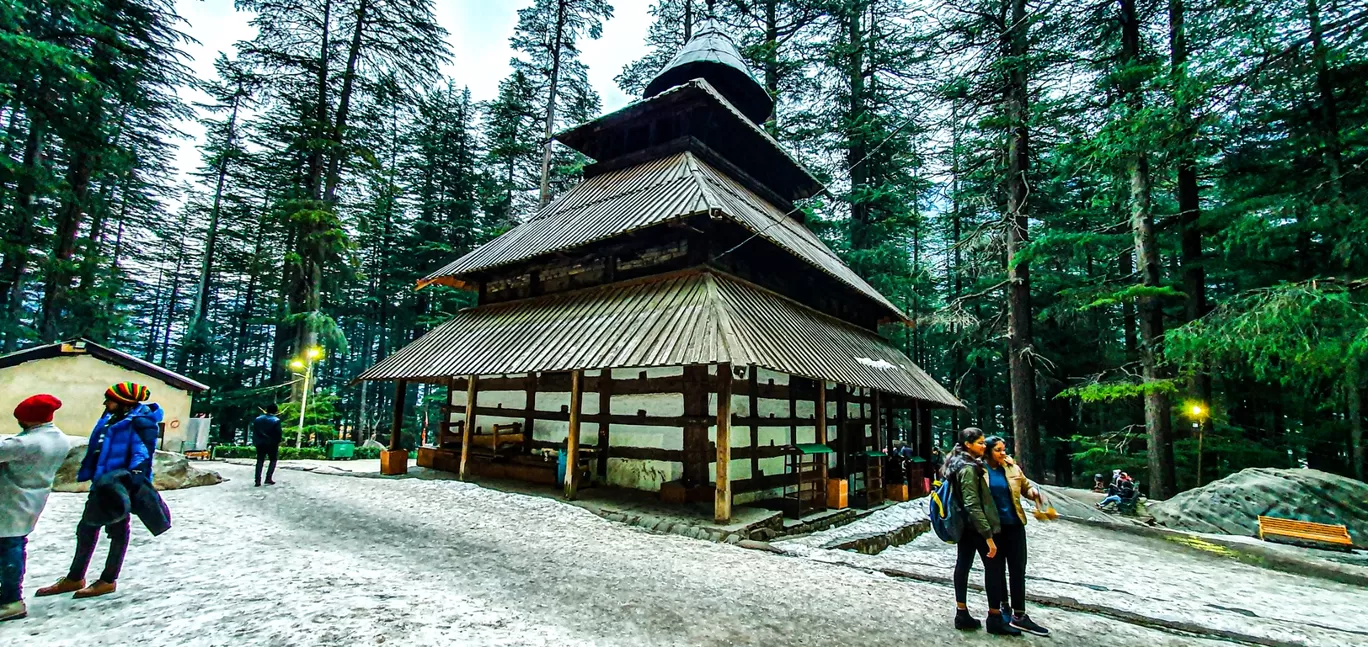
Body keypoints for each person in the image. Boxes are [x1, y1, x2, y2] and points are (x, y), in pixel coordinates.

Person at [37, 382, 162, 599]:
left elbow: (142, 455)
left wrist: (129, 479)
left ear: (123, 402)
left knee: (116, 532)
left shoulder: (141, 424)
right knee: (87, 529)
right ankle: (76, 577)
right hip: (102, 484)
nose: (105, 403)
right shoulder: (111, 419)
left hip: (119, 486)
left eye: (110, 399)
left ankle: (107, 579)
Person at [0, 395, 71, 621]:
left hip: (11, 500)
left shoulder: (25, 443)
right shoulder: (59, 438)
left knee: (9, 548)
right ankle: (9, 596)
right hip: (33, 498)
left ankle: (11, 600)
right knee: (14, 544)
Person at [942, 427, 1018, 636]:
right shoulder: (968, 468)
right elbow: (972, 503)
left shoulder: (957, 463)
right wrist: (988, 535)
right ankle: (994, 617)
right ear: (968, 444)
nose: (984, 447)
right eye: (980, 443)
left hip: (964, 526)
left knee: (963, 564)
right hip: (975, 526)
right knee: (993, 568)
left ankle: (962, 612)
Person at [982, 436, 1050, 637]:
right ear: (987, 452)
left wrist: (1033, 492)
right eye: (998, 450)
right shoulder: (979, 471)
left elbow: (1025, 486)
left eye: (1004, 449)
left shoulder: (1012, 468)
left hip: (1015, 525)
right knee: (996, 570)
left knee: (1018, 569)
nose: (1003, 453)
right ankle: (1004, 608)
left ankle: (1020, 614)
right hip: (993, 528)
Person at [252, 403, 284, 487]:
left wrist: (256, 441)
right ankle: (268, 478)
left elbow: (255, 432)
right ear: (276, 411)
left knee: (260, 461)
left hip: (259, 443)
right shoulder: (276, 420)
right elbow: (278, 433)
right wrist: (278, 442)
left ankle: (257, 480)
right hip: (272, 444)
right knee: (273, 460)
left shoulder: (258, 419)